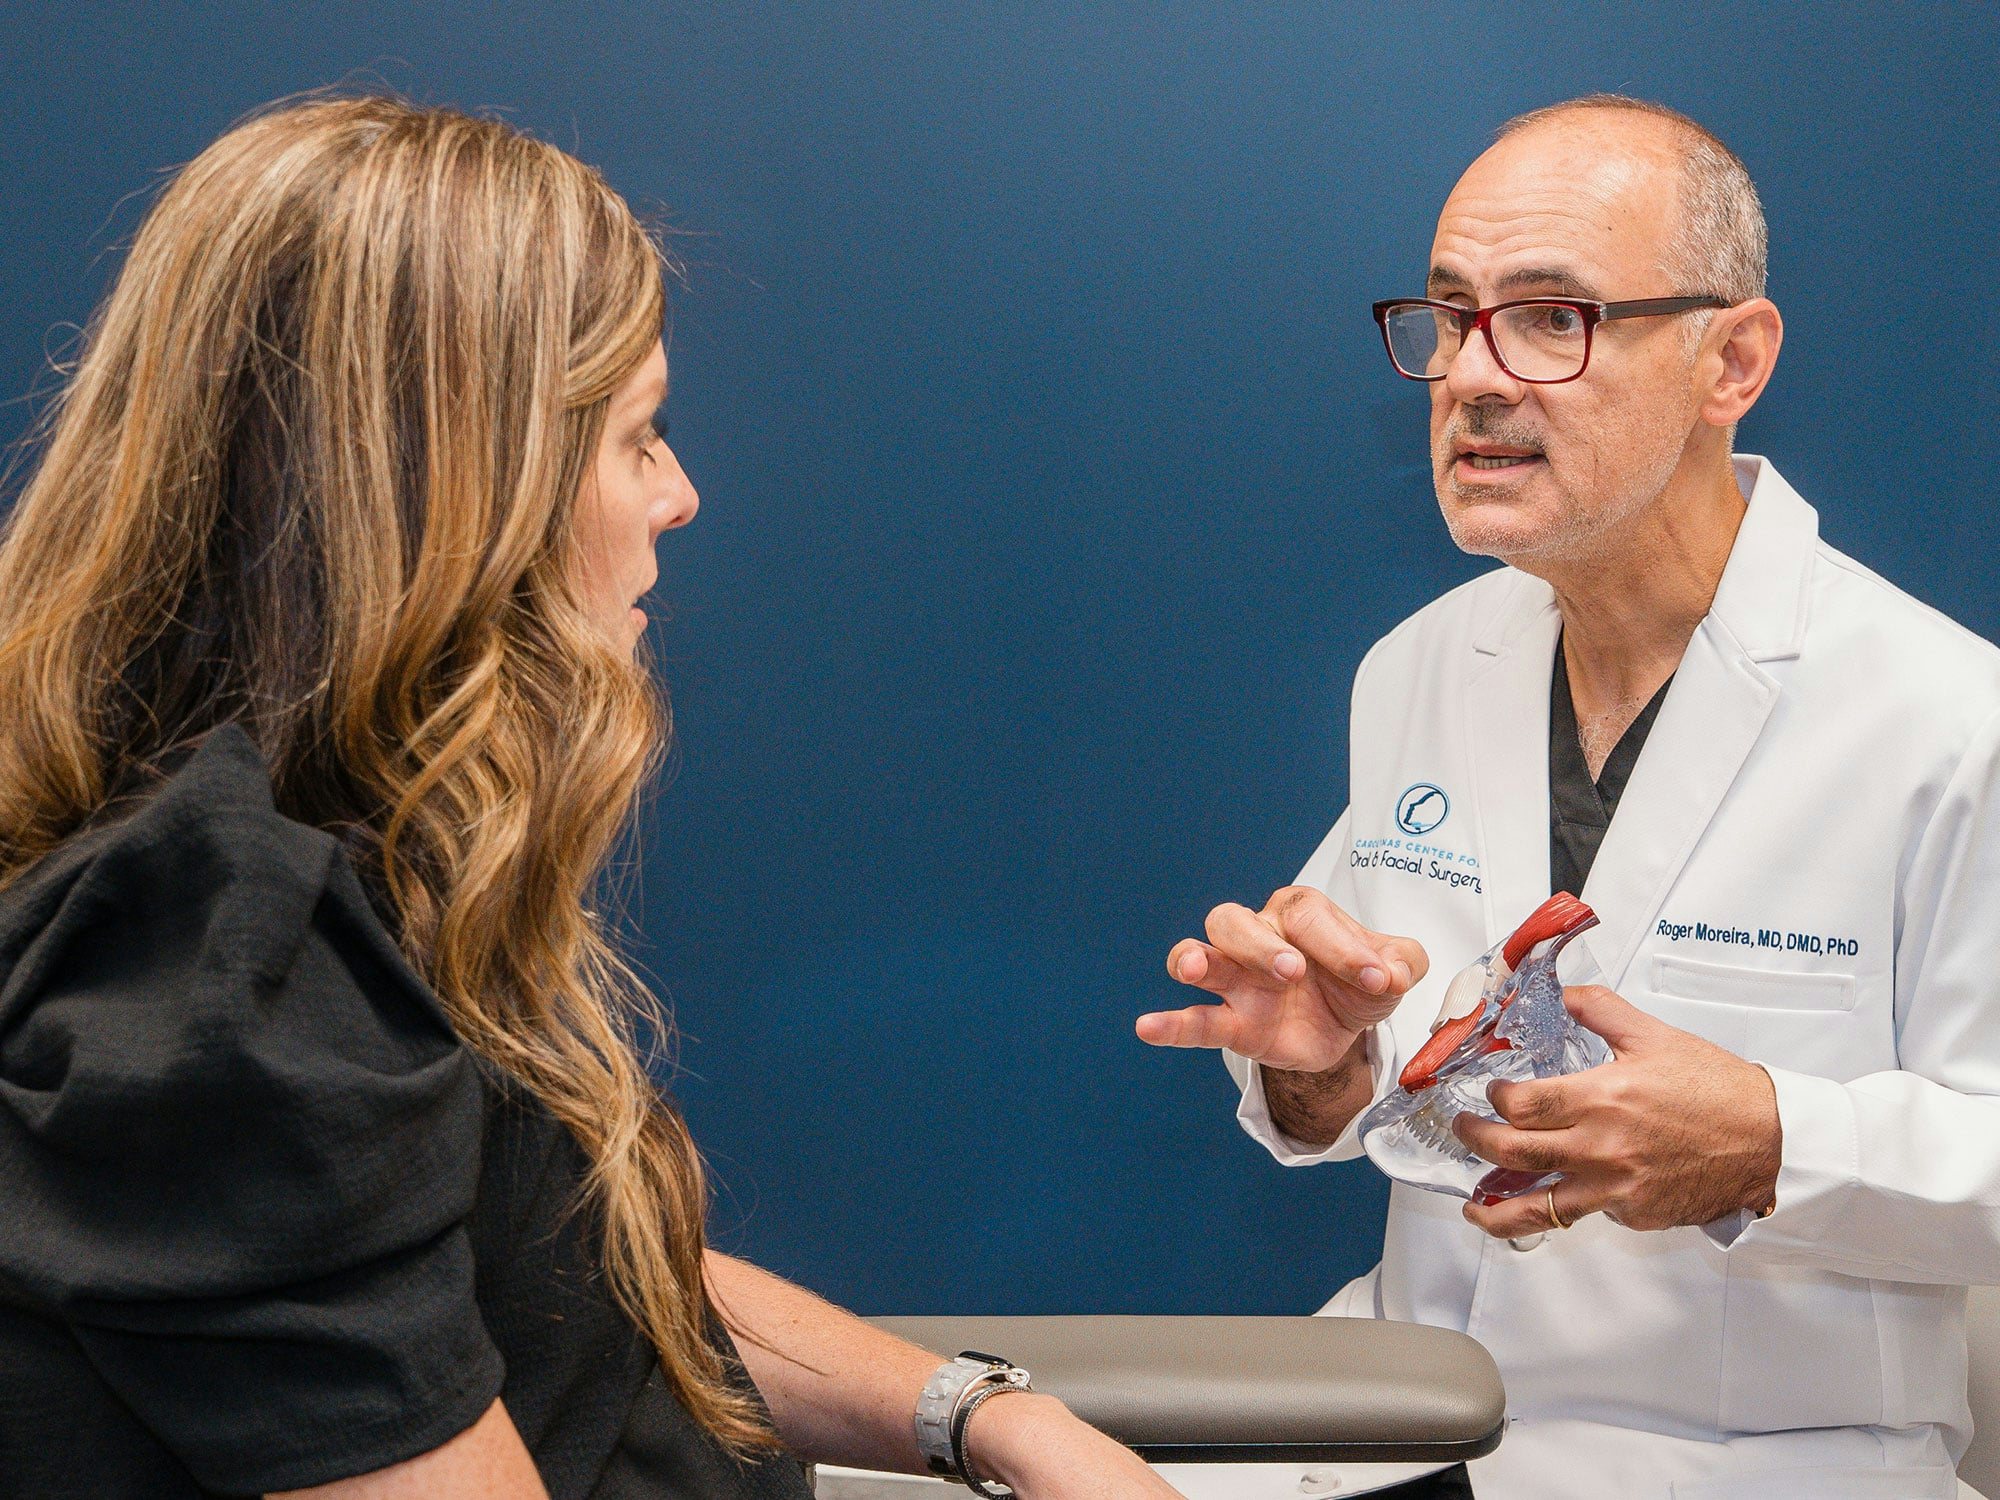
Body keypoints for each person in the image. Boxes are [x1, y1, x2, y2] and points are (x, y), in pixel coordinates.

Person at [0, 96, 1184, 1500]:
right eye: (637, 437)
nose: (677, 496)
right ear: (469, 491)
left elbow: (578, 1256)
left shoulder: (332, 855)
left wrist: (981, 1417)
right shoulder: (228, 985)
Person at [1138, 94, 2000, 1500]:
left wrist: (1768, 1142)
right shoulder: (1422, 667)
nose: (1473, 375)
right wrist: (1318, 1063)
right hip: (1396, 1427)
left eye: (1552, 317)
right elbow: (1368, 1045)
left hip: (1763, 1464)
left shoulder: (1949, 723)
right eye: (1452, 314)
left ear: (1734, 360)